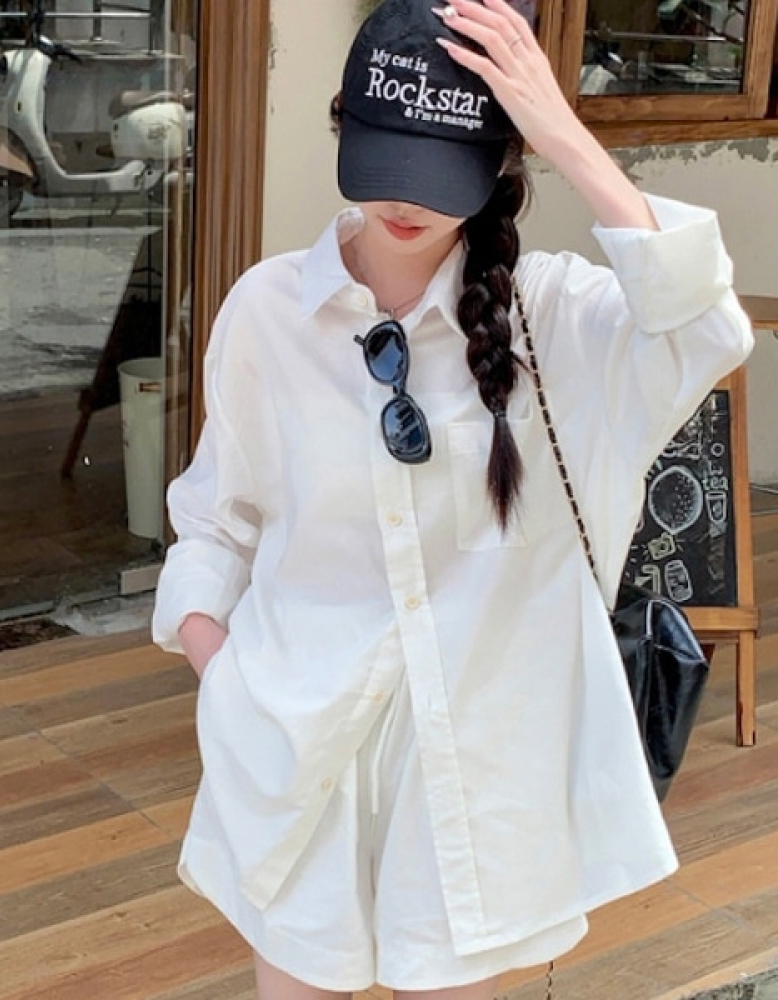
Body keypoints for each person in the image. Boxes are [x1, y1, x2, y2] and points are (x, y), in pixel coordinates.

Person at [151, 1, 755, 998]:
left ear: (501, 162)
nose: (406, 199)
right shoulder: (267, 311)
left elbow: (706, 331)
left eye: (442, 167)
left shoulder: (555, 319)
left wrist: (561, 129)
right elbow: (218, 517)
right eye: (385, 155)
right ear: (343, 125)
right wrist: (226, 674)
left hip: (476, 785)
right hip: (297, 757)